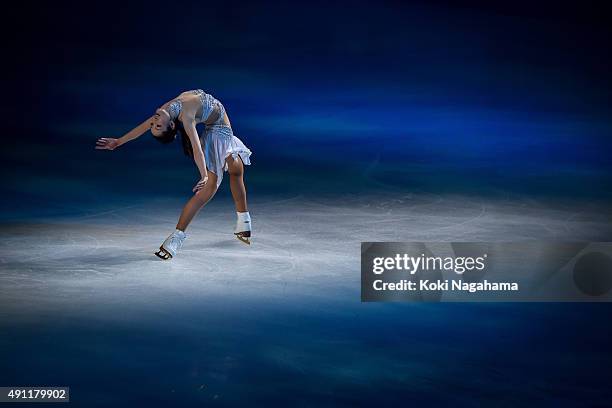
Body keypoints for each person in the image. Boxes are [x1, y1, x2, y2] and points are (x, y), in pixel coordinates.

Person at [96, 89, 252, 259]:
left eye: (154, 125)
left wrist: (118, 142)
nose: (154, 121)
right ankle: (176, 238)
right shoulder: (185, 118)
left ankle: (244, 223)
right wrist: (204, 175)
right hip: (218, 129)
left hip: (217, 125)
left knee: (236, 170)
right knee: (210, 187)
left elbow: (141, 128)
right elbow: (196, 150)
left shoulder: (164, 111)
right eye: (157, 126)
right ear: (170, 125)